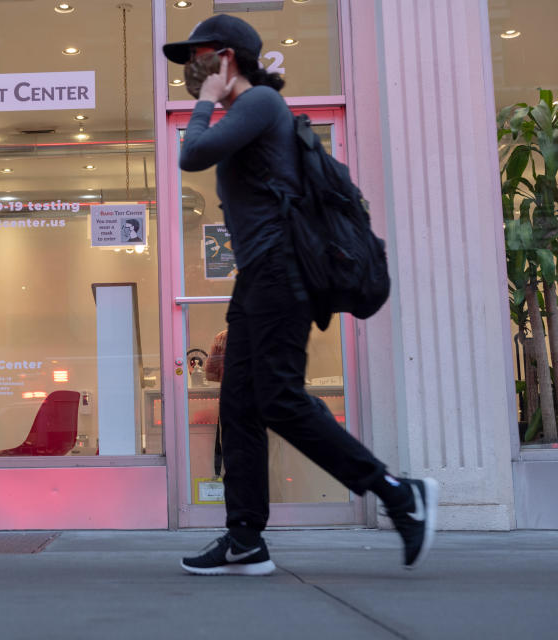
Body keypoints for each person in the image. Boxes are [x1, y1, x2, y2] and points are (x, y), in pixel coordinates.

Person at [164, 15, 438, 576]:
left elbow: (191, 155)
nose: (190, 68)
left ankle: (398, 493)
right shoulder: (248, 113)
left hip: (279, 273)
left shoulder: (259, 104)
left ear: (228, 58)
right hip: (257, 278)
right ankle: (245, 539)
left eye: (199, 56)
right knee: (239, 406)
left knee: (280, 399)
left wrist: (206, 101)